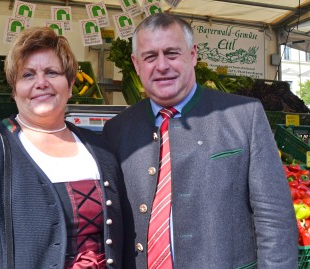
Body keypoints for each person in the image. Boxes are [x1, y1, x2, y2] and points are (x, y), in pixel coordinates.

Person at [102, 13, 298, 268]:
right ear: (136, 64)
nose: (161, 66)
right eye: (150, 57)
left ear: (193, 55)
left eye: (172, 53)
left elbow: (274, 217)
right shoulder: (117, 130)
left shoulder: (244, 116)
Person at [0, 27, 124, 269]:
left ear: (69, 86)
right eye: (27, 75)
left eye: (52, 72)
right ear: (14, 89)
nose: (41, 83)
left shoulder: (100, 149)